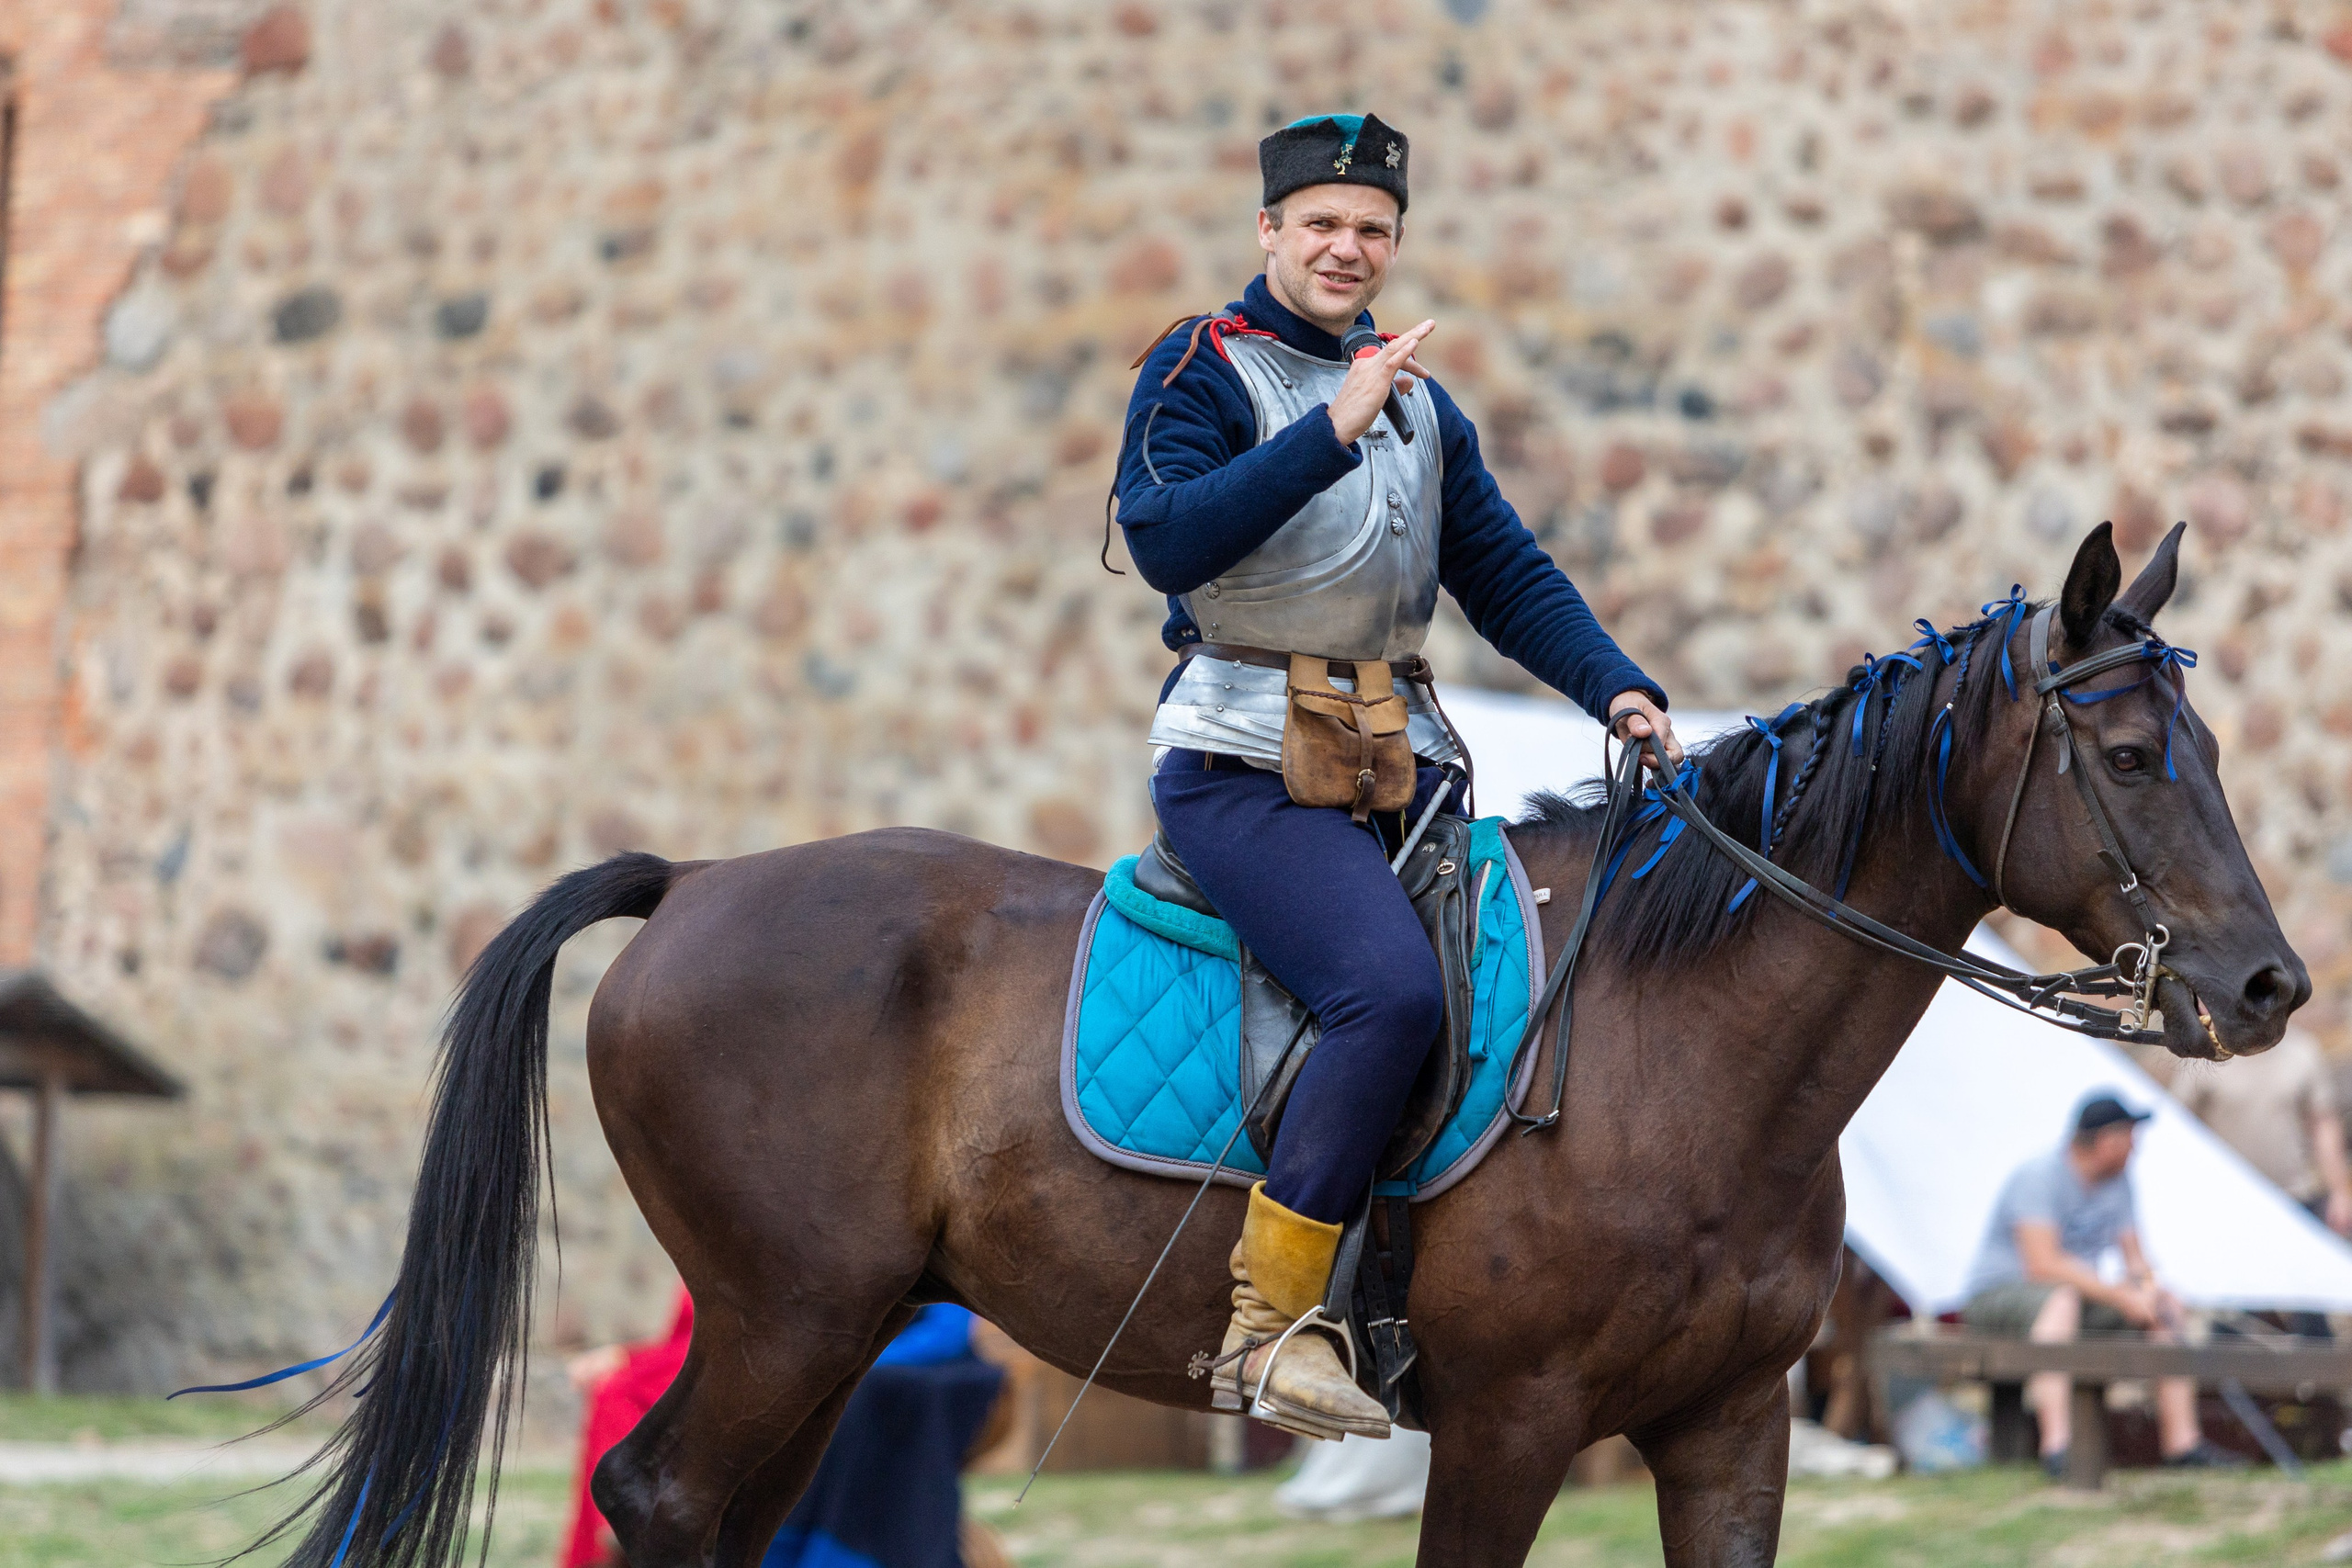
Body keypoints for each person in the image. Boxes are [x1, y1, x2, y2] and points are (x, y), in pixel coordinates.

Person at [1111, 111, 1678, 1441]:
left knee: (1515, 994)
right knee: (1385, 989)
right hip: (1240, 759)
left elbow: (1509, 576)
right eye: (1320, 223)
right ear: (1269, 232)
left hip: (1396, 766)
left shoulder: (1425, 406)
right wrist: (1329, 429)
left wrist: (1618, 684)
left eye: (1372, 229)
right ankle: (1270, 1328)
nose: (1346, 247)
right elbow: (1166, 539)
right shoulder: (1199, 368)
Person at [1960, 1092, 2242, 1473]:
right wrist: (2118, 1295)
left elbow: (2137, 1259)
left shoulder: (2119, 1182)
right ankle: (2059, 1449)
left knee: (2164, 1307)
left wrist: (2149, 1289)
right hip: (1999, 1297)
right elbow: (2042, 1265)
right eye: (2131, 1137)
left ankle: (2183, 1447)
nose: (2136, 1149)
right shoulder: (2038, 1177)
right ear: (2107, 1141)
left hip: (2073, 1298)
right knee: (2060, 1300)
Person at [2174, 1024, 2352, 1238]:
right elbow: (2178, 1123)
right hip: (2229, 1202)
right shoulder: (2203, 1055)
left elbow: (2322, 1124)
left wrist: (2339, 1192)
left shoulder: (2301, 1050)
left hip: (2296, 1197)